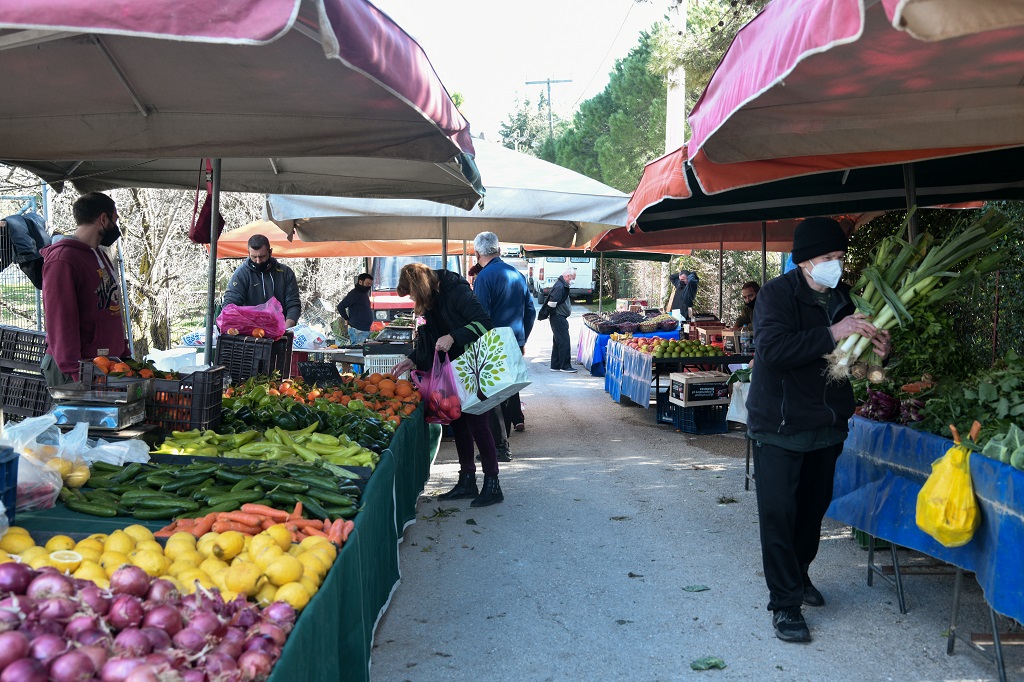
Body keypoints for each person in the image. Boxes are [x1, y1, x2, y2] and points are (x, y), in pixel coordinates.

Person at [746, 217, 890, 644]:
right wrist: (832, 331)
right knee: (779, 516)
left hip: (827, 429)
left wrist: (880, 355)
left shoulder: (844, 299)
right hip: (779, 428)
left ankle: (800, 575)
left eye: (840, 257)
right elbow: (772, 351)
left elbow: (854, 370)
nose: (837, 265)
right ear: (805, 260)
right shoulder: (776, 295)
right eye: (829, 258)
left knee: (810, 516)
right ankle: (785, 605)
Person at [391, 263, 504, 507]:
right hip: (451, 371)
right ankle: (467, 480)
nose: (412, 299)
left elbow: (485, 323)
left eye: (411, 293)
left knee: (477, 423)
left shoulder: (456, 290)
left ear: (420, 286)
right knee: (459, 422)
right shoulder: (431, 299)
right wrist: (411, 359)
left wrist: (454, 337)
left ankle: (493, 484)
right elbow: (430, 338)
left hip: (472, 366)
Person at [40, 192, 129, 385]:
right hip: (76, 370)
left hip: (103, 366)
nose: (117, 227)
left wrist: (123, 352)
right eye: (116, 220)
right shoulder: (63, 260)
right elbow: (60, 320)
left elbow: (110, 305)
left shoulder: (99, 254)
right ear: (103, 219)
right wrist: (75, 371)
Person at [471, 231, 535, 454]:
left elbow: (481, 317)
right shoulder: (517, 274)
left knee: (493, 394)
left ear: (477, 253)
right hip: (514, 340)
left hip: (493, 342)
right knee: (508, 391)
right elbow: (530, 310)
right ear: (498, 250)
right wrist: (522, 338)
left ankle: (500, 446)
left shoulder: (484, 278)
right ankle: (502, 443)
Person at [222, 234, 301, 328]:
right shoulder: (242, 273)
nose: (258, 261)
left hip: (281, 329)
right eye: (254, 257)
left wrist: (286, 329)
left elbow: (293, 304)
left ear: (270, 252)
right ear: (248, 253)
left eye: (262, 256)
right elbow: (230, 303)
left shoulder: (285, 273)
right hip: (250, 331)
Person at [545, 267, 576, 373]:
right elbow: (551, 303)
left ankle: (555, 364)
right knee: (564, 341)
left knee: (558, 341)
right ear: (567, 276)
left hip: (557, 316)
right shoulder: (560, 286)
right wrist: (553, 313)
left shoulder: (562, 285)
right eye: (573, 278)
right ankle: (565, 366)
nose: (573, 280)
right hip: (558, 317)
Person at [337, 273, 373, 346]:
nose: (369, 286)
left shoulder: (363, 293)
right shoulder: (354, 294)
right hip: (357, 330)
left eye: (370, 285)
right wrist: (346, 318)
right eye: (367, 284)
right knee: (357, 352)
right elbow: (340, 306)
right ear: (360, 282)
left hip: (364, 330)